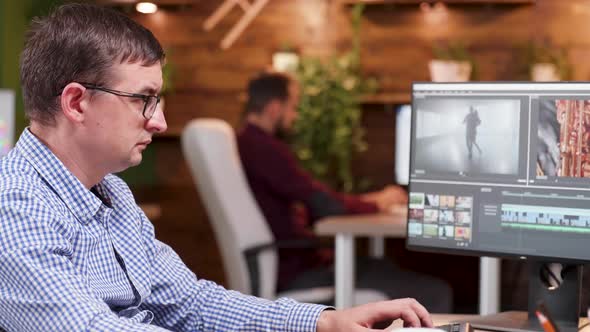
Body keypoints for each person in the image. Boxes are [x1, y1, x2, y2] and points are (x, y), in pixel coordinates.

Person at [0, 3, 435, 331]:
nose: (160, 121)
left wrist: (324, 323)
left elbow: (191, 303)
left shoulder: (113, 192)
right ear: (76, 102)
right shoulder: (16, 207)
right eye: (143, 99)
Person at [237, 72, 452, 312]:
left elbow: (311, 198)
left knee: (383, 267)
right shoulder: (264, 149)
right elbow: (323, 203)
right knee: (433, 292)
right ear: (275, 108)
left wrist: (368, 200)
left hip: (297, 264)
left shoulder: (248, 144)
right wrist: (377, 204)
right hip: (300, 271)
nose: (295, 116)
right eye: (293, 107)